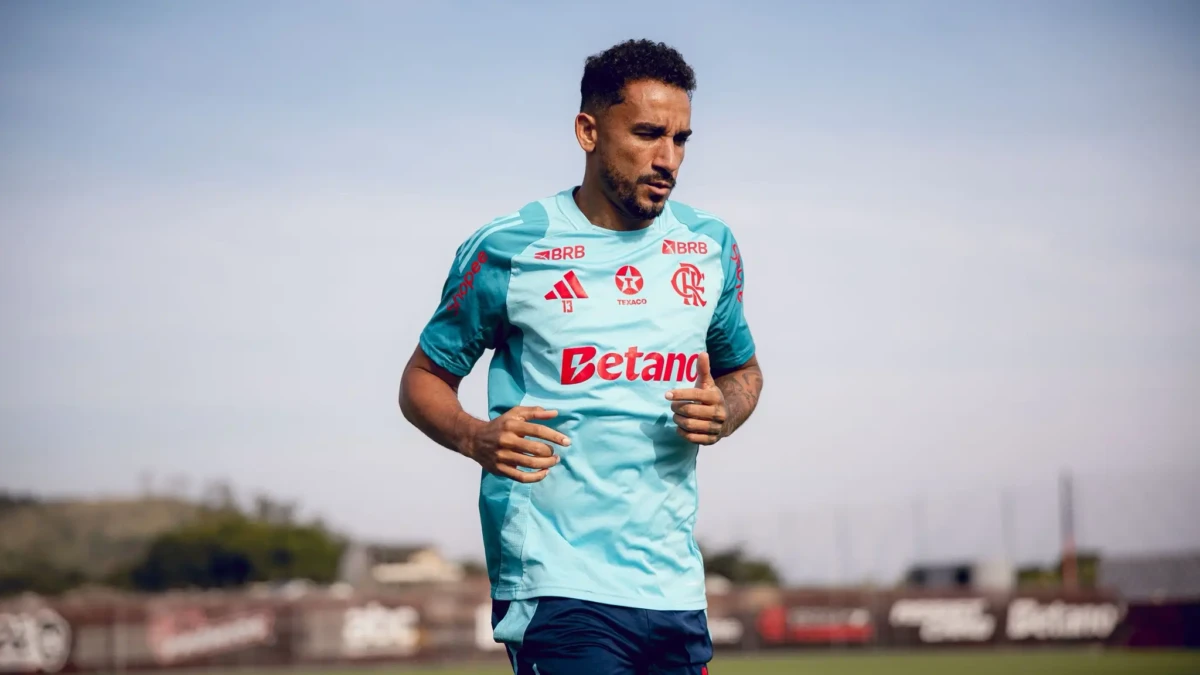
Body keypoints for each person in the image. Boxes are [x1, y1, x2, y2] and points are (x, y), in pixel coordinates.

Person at [399, 38, 764, 674]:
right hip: (556, 581)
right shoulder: (511, 246)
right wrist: (475, 437)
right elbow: (423, 378)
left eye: (680, 139)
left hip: (674, 587)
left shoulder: (709, 246)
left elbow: (742, 372)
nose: (667, 159)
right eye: (647, 134)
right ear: (588, 131)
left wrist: (725, 411)